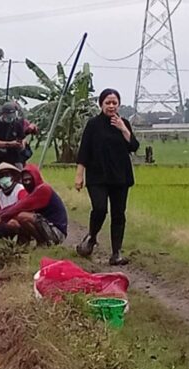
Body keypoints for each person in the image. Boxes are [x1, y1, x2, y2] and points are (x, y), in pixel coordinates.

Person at [75, 88, 140, 265]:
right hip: (97, 176)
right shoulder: (93, 124)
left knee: (118, 214)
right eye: (107, 103)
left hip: (120, 176)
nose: (111, 106)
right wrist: (79, 175)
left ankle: (116, 253)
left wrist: (123, 129)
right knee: (100, 209)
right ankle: (91, 237)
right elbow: (84, 151)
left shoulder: (124, 122)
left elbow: (133, 146)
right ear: (101, 104)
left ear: (119, 104)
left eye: (114, 103)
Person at [0, 164, 67, 246]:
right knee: (17, 216)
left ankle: (42, 243)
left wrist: (0, 217)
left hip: (56, 231)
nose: (27, 183)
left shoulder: (42, 189)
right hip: (46, 227)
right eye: (25, 180)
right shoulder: (0, 194)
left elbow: (19, 207)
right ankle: (24, 244)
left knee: (21, 216)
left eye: (29, 180)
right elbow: (15, 206)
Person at [0, 102, 39, 168]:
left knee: (19, 173)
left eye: (12, 114)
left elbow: (23, 138)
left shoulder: (17, 123)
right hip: (0, 156)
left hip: (15, 156)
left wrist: (22, 144)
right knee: (0, 173)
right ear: (4, 114)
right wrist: (9, 144)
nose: (10, 117)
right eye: (8, 115)